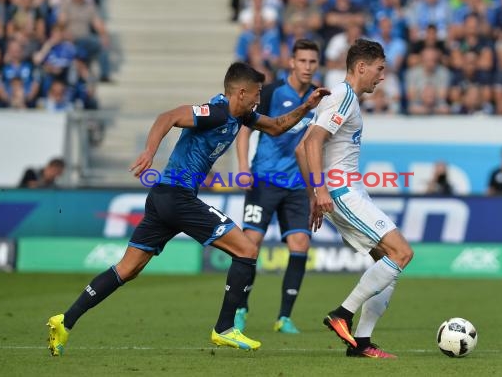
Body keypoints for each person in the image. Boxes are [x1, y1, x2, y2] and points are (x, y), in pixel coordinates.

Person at [46, 62, 330, 356]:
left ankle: (65, 321)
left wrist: (306, 105)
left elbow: (277, 126)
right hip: (178, 198)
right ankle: (224, 328)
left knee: (127, 269)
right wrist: (149, 152)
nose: (259, 99)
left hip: (163, 200)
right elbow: (168, 116)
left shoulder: (241, 116)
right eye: (257, 93)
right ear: (241, 92)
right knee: (247, 250)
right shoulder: (216, 112)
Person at [296, 39, 414, 358]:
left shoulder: (344, 98)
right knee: (401, 253)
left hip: (343, 191)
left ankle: (361, 344)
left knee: (387, 263)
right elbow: (311, 145)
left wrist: (314, 196)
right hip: (342, 191)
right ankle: (342, 314)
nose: (382, 77)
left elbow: (302, 146)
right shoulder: (343, 96)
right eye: (379, 69)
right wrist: (320, 191)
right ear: (361, 67)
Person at [233, 39, 320, 334]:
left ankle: (284, 318)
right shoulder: (270, 93)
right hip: (264, 179)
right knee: (250, 244)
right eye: (303, 61)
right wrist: (243, 168)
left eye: (312, 62)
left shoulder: (319, 97)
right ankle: (240, 308)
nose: (307, 66)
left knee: (300, 244)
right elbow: (245, 131)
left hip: (297, 184)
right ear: (292, 63)